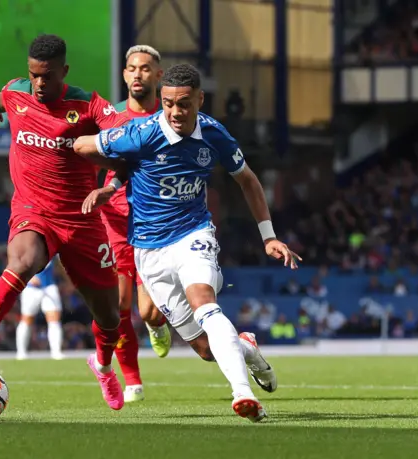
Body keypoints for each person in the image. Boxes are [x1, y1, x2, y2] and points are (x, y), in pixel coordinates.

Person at [73, 63, 301, 422]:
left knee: (204, 302)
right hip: (148, 248)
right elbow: (82, 145)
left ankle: (243, 395)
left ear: (199, 99)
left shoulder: (214, 134)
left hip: (193, 232)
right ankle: (249, 350)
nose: (175, 112)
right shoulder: (141, 133)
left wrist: (268, 236)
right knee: (205, 349)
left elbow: (249, 181)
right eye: (167, 104)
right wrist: (110, 183)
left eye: (184, 104)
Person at [0, 34, 130, 411]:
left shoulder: (88, 106)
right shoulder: (16, 93)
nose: (40, 83)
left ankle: (103, 366)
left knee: (109, 318)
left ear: (64, 71)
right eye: (34, 75)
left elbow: (124, 134)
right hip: (33, 210)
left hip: (82, 219)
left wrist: (114, 182)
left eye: (48, 76)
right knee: (21, 264)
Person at [87, 45, 171, 403]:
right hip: (115, 221)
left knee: (149, 310)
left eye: (145, 68)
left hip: (155, 220)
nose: (138, 74)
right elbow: (91, 159)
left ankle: (157, 323)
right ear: (124, 75)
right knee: (118, 305)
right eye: (132, 68)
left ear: (158, 76)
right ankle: (132, 380)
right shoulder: (110, 117)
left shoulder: (172, 116)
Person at [16, 257, 64, 360]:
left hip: (49, 285)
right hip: (31, 288)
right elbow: (17, 261)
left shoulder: (53, 244)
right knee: (27, 319)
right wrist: (28, 276)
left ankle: (56, 352)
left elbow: (59, 263)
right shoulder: (27, 243)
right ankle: (21, 352)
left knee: (54, 319)